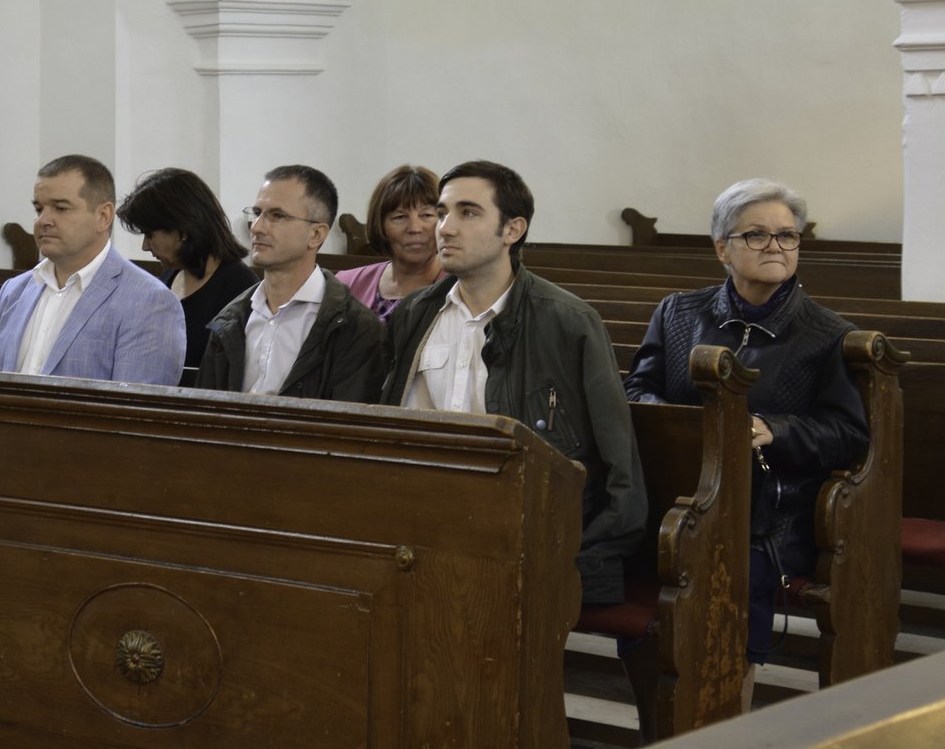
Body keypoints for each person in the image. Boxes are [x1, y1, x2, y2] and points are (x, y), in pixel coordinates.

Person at [623, 178, 867, 707]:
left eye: (787, 235)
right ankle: (658, 721)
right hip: (676, 493)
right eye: (756, 235)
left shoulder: (828, 334)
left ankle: (724, 715)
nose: (775, 246)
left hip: (771, 514)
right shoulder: (678, 313)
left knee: (729, 573)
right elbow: (637, 391)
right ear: (722, 249)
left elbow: (849, 435)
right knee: (624, 552)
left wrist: (775, 429)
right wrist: (686, 426)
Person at [380, 159, 645, 606]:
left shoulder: (568, 322)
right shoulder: (415, 314)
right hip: (421, 528)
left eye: (468, 212)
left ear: (513, 230)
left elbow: (619, 464)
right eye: (442, 212)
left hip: (521, 537)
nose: (444, 228)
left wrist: (585, 562)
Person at [0, 154, 186, 386]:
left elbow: (133, 407)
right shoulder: (13, 292)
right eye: (39, 208)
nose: (43, 220)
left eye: (61, 208)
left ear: (103, 216)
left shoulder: (148, 302)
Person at [195, 165, 385, 401]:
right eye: (257, 213)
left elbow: (346, 420)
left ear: (316, 235)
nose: (257, 227)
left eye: (277, 216)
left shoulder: (355, 328)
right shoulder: (231, 318)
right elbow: (204, 410)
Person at [117, 167, 257, 379]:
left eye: (150, 235)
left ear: (182, 230)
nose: (145, 246)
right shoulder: (169, 277)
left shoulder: (239, 286)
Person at [334, 164, 446, 322]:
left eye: (426, 215)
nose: (414, 228)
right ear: (380, 225)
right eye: (400, 217)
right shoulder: (346, 284)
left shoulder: (462, 288)